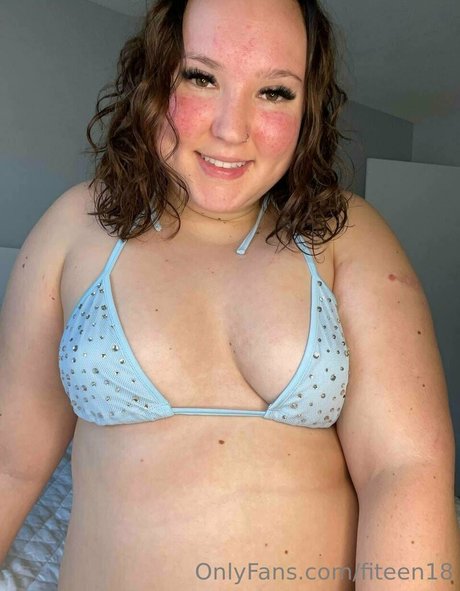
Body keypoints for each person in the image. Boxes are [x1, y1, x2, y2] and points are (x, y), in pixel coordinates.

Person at [0, 0, 458, 589]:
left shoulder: (346, 235)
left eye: (275, 92)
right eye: (200, 77)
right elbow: (11, 463)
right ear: (153, 78)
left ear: (308, 108)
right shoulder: (76, 226)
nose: (231, 130)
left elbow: (405, 470)